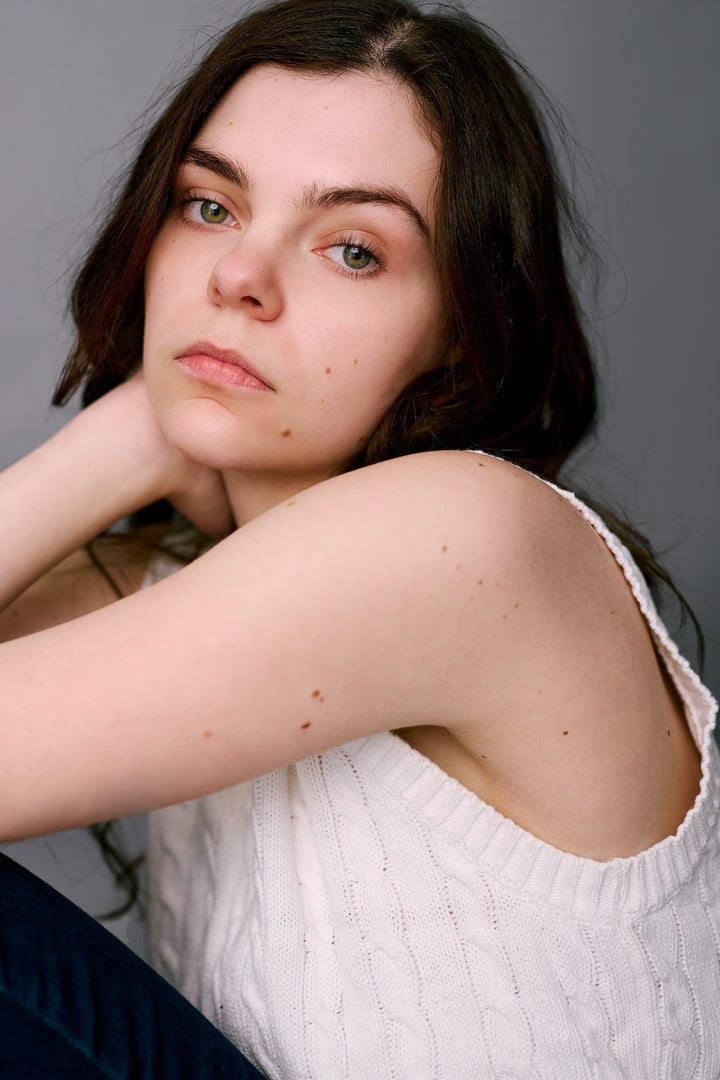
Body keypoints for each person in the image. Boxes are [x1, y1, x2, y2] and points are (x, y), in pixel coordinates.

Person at [0, 0, 717, 1076]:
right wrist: (124, 444)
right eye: (209, 205)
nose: (239, 277)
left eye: (352, 250)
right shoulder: (181, 575)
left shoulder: (466, 537)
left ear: (461, 330)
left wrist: (128, 436)